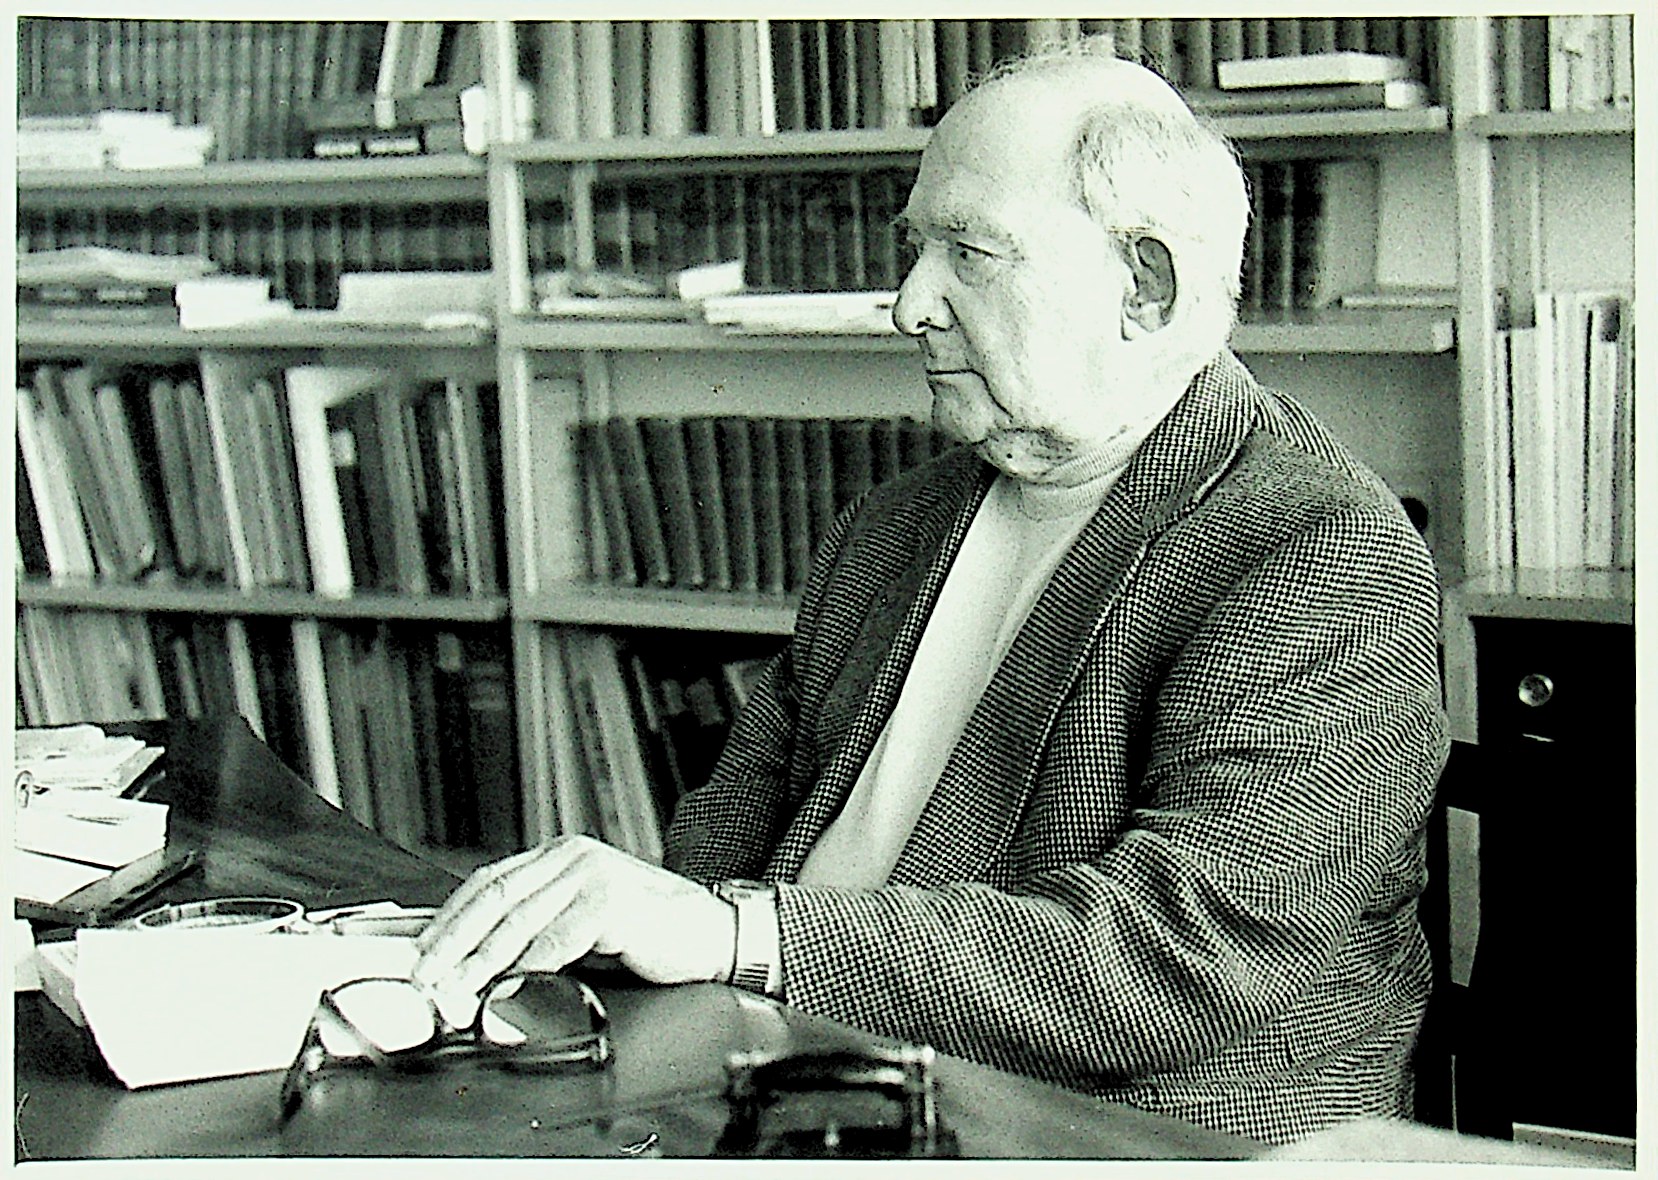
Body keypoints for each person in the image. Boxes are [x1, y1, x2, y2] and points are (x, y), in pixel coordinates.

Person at [413, 42, 1448, 1148]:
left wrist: (736, 937)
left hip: (1117, 1133)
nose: (907, 303)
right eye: (915, 249)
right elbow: (721, 840)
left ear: (1143, 286)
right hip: (794, 1077)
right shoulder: (892, 525)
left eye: (970, 251)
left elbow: (1170, 963)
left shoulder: (1320, 551)